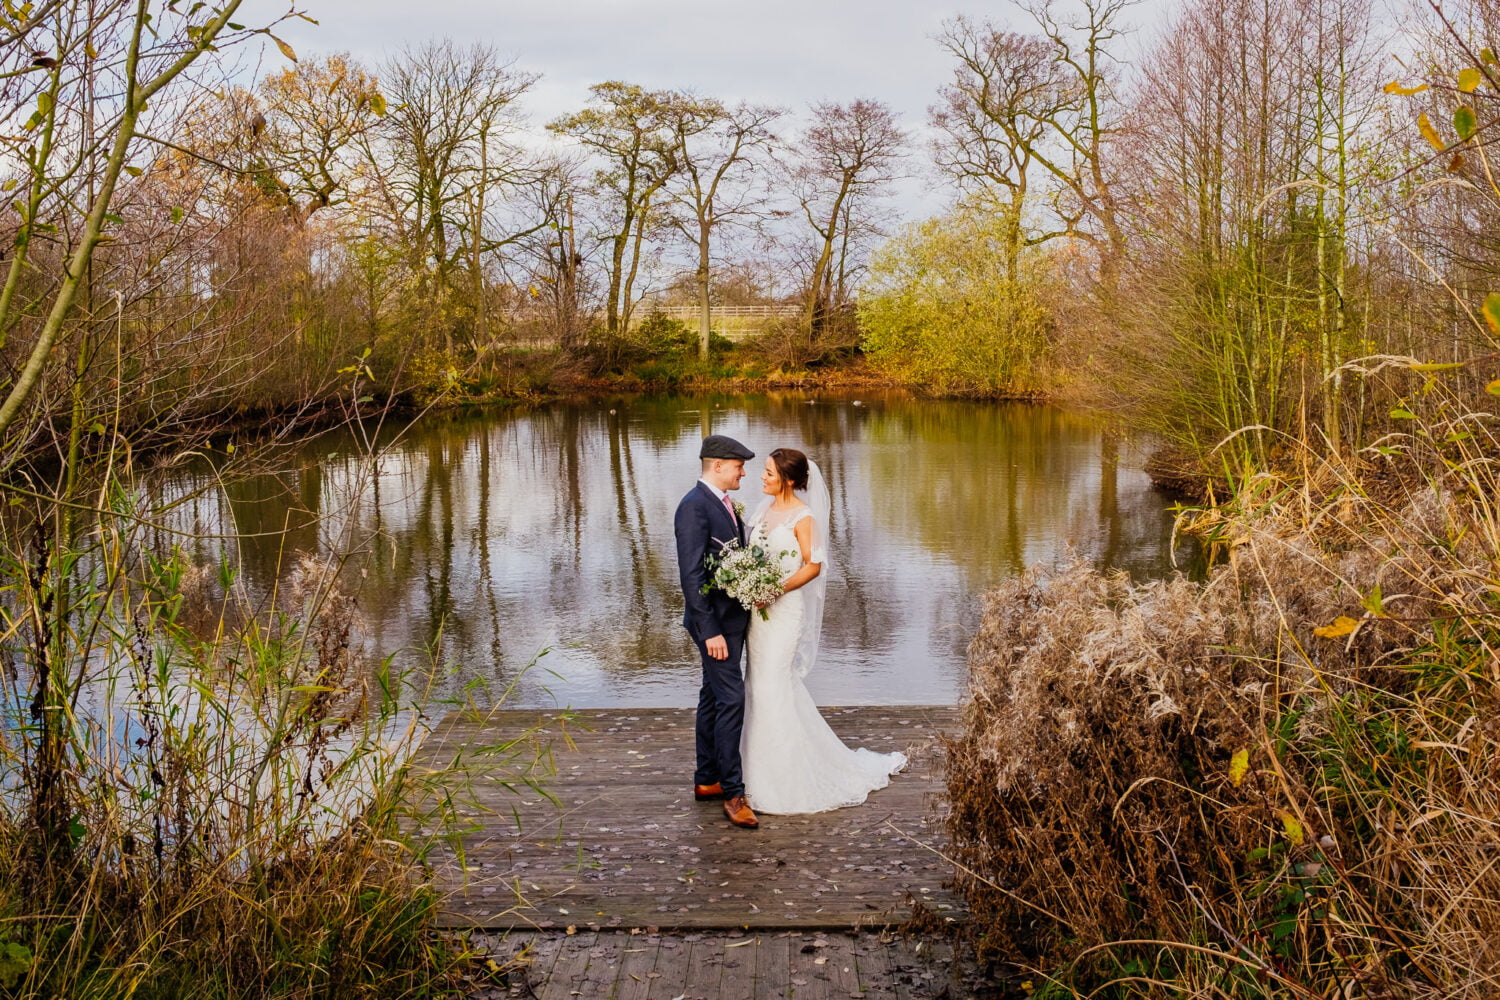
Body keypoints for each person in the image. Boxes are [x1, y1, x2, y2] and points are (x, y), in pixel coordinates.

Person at [740, 448, 906, 814]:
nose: (761, 477)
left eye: (767, 472)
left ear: (787, 478)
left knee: (773, 685)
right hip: (758, 617)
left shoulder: (804, 515)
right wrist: (747, 582)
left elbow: (814, 565)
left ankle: (785, 781)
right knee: (756, 685)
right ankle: (753, 773)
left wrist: (775, 589)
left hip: (784, 612)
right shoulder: (761, 510)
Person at [674, 434, 759, 829]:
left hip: (731, 620)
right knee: (732, 698)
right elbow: (691, 576)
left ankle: (707, 779)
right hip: (715, 627)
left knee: (712, 696)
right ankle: (733, 793)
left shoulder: (723, 504)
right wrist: (710, 631)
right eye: (739, 466)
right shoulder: (693, 507)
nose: (744, 472)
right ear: (719, 466)